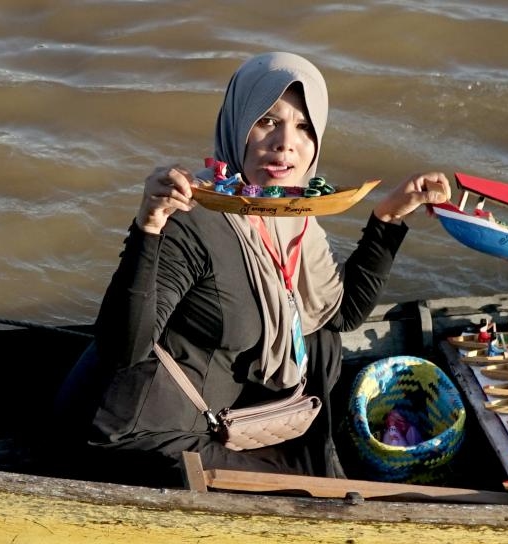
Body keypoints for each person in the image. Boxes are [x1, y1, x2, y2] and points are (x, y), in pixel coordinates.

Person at [52, 52, 450, 487]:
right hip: (133, 434)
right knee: (307, 496)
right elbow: (122, 350)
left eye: (303, 127)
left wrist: (388, 219)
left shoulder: (290, 214)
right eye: (267, 121)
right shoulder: (190, 214)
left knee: (321, 343)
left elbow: (339, 314)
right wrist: (148, 228)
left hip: (210, 419)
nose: (285, 143)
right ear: (238, 127)